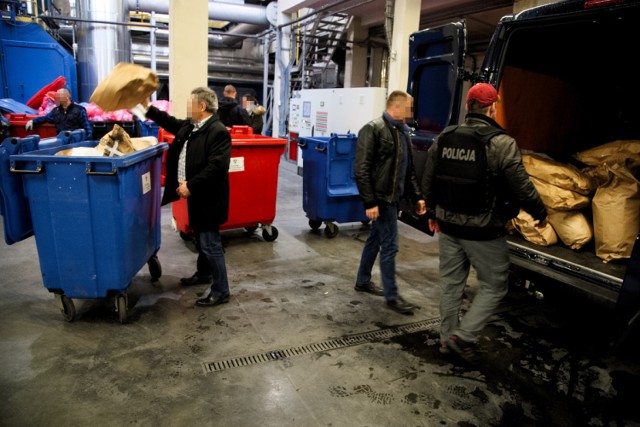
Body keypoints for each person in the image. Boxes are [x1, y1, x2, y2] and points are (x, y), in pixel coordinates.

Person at [421, 82, 548, 360]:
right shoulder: (502, 143)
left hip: (449, 227)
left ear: (468, 106)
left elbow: (428, 179)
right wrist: (540, 214)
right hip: (484, 231)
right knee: (494, 285)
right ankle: (463, 336)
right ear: (492, 108)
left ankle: (446, 341)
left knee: (451, 285)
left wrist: (432, 213)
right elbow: (522, 187)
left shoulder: (445, 137)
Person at [142, 87, 232, 307]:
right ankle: (204, 274)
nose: (187, 108)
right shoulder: (191, 126)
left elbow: (216, 167)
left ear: (202, 107)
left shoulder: (218, 131)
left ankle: (221, 290)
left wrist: (191, 185)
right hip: (196, 195)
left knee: (211, 244)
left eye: (191, 103)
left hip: (209, 197)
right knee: (201, 239)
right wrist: (147, 107)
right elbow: (168, 121)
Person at [354, 90, 426, 315]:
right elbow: (361, 169)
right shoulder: (373, 129)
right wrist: (370, 201)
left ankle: (363, 281)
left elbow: (409, 170)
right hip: (381, 199)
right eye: (409, 108)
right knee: (391, 246)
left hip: (394, 198)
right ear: (397, 106)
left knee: (375, 240)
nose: (411, 112)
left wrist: (417, 196)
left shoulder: (403, 132)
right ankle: (392, 296)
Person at [26, 87, 93, 139]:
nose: (56, 98)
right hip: (62, 144)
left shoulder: (79, 110)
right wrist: (32, 121)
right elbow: (45, 118)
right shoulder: (55, 111)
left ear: (67, 97)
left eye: (59, 96)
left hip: (76, 145)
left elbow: (88, 130)